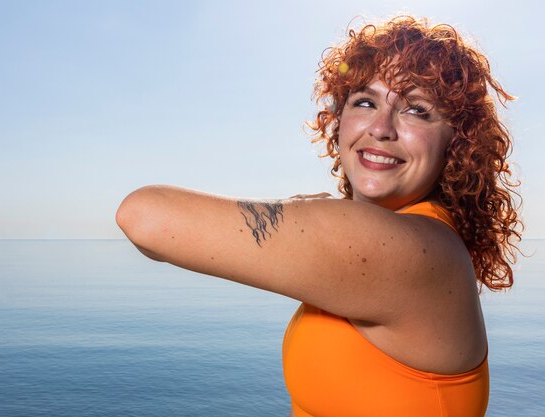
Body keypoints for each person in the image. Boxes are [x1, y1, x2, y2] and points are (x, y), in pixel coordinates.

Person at [116, 15, 522, 417]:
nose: (381, 128)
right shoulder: (420, 238)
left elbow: (145, 216)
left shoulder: (413, 251)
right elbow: (158, 243)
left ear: (458, 142)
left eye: (416, 110)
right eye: (365, 101)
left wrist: (307, 210)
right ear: (339, 120)